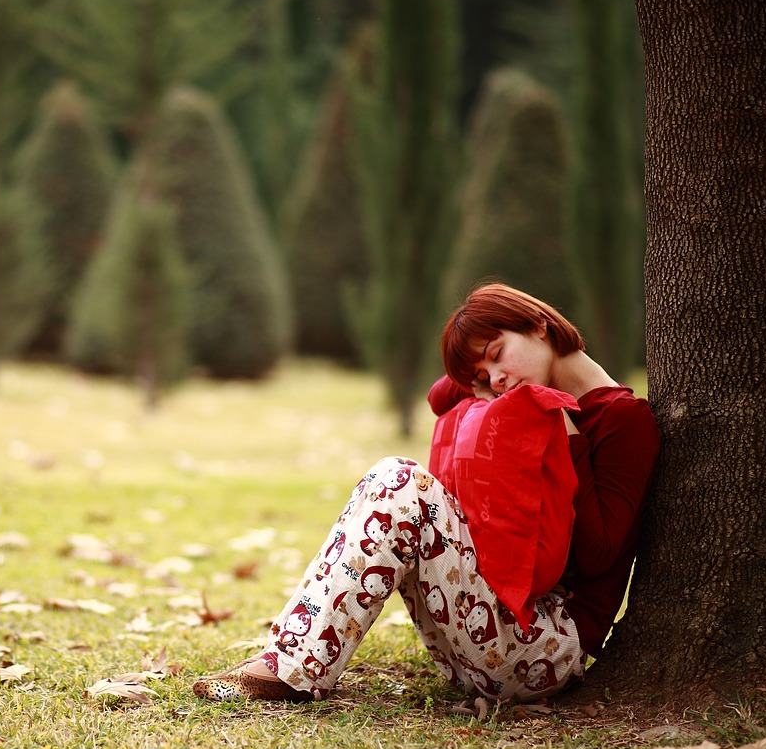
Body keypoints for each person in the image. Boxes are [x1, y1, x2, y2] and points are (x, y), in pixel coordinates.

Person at [193, 283, 660, 703]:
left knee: (399, 481)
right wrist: (479, 379)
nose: (496, 379)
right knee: (392, 478)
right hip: (478, 644)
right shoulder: (523, 399)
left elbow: (600, 556)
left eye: (497, 354)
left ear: (539, 325)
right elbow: (441, 396)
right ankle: (290, 659)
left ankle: (293, 667)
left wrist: (566, 436)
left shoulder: (623, 419)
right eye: (484, 374)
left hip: (547, 650)